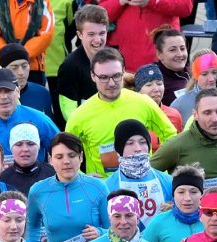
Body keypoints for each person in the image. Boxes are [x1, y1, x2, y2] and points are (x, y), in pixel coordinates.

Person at [64, 48, 177, 177]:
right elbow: (66, 152)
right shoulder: (80, 115)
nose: (111, 83)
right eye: (104, 77)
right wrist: (81, 178)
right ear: (93, 76)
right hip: (104, 186)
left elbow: (171, 136)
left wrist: (158, 170)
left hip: (142, 183)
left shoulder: (143, 102)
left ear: (123, 71)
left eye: (116, 76)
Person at [26, 132, 110, 242]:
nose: (66, 161)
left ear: (81, 157)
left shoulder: (98, 187)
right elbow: (32, 227)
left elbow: (113, 229)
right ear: (50, 160)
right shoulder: (37, 191)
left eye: (72, 155)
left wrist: (100, 233)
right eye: (59, 157)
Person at [151, 88, 217, 182]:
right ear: (195, 114)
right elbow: (146, 175)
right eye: (207, 113)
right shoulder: (176, 145)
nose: (215, 119)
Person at [105, 119, 173, 229]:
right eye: (130, 143)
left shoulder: (168, 181)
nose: (138, 149)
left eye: (142, 142)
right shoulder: (107, 186)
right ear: (119, 148)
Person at [100, 0, 192, 73]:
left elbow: (186, 7)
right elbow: (100, 15)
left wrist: (152, 2)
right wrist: (120, 1)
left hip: (163, 65)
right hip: (127, 62)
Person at [0, 0, 55, 85]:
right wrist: (7, 53)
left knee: (34, 92)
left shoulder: (43, 3)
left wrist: (21, 54)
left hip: (32, 68)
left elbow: (47, 34)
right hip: (5, 67)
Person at [56, 4, 109, 122]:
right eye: (91, 34)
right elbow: (69, 113)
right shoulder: (70, 67)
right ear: (79, 35)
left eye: (102, 33)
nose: (97, 40)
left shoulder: (114, 59)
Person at [142, 164, 204, 242]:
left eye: (193, 192)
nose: (187, 198)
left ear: (202, 195)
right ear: (173, 195)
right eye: (181, 192)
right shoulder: (159, 222)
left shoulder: (211, 221)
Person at [132, 63, 183, 151]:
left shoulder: (174, 115)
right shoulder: (131, 115)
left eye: (159, 84)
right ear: (138, 90)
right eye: (149, 85)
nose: (156, 89)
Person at [0, 43, 53, 118]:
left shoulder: (42, 93)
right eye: (14, 68)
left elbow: (49, 123)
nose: (21, 72)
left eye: (24, 66)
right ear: (3, 69)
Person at [0, 122, 56, 195]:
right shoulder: (2, 180)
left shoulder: (54, 175)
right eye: (18, 144)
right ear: (11, 148)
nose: (25, 149)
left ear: (38, 147)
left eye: (30, 144)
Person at [170, 49, 217, 124]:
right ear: (196, 76)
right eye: (204, 74)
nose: (211, 79)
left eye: (214, 72)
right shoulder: (180, 104)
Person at [151, 27, 189, 106]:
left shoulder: (195, 73)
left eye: (182, 48)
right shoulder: (153, 79)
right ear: (159, 54)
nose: (180, 54)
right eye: (172, 50)